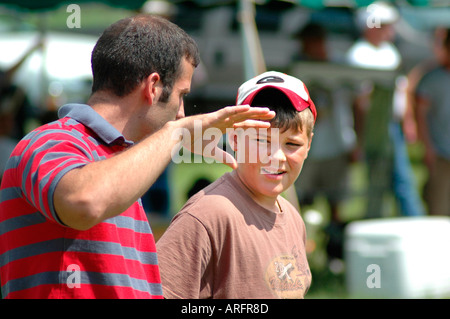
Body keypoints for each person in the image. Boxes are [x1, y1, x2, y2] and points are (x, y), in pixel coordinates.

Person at [0, 14, 275, 299]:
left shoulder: (123, 160)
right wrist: (174, 133)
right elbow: (83, 202)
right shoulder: (50, 140)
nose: (182, 112)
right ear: (153, 87)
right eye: (181, 95)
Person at [156, 71, 316, 299]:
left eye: (292, 143)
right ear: (234, 139)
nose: (278, 156)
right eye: (262, 140)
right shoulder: (207, 215)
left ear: (309, 144)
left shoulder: (292, 219)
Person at [346, 1, 425, 218]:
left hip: (392, 125)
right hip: (374, 126)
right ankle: (379, 219)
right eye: (384, 25)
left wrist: (407, 121)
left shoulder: (389, 51)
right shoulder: (360, 54)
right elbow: (360, 102)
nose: (390, 30)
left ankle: (408, 221)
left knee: (399, 178)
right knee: (380, 180)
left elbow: (401, 92)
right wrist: (360, 138)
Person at [291, 23, 357, 260]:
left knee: (336, 205)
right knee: (300, 206)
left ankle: (335, 255)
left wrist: (355, 141)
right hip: (306, 149)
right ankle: (299, 254)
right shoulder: (296, 68)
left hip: (337, 146)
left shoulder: (340, 66)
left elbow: (358, 103)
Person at [414, 28, 450, 215]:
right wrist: (427, 147)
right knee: (438, 209)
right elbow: (420, 115)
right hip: (441, 153)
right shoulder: (431, 79)